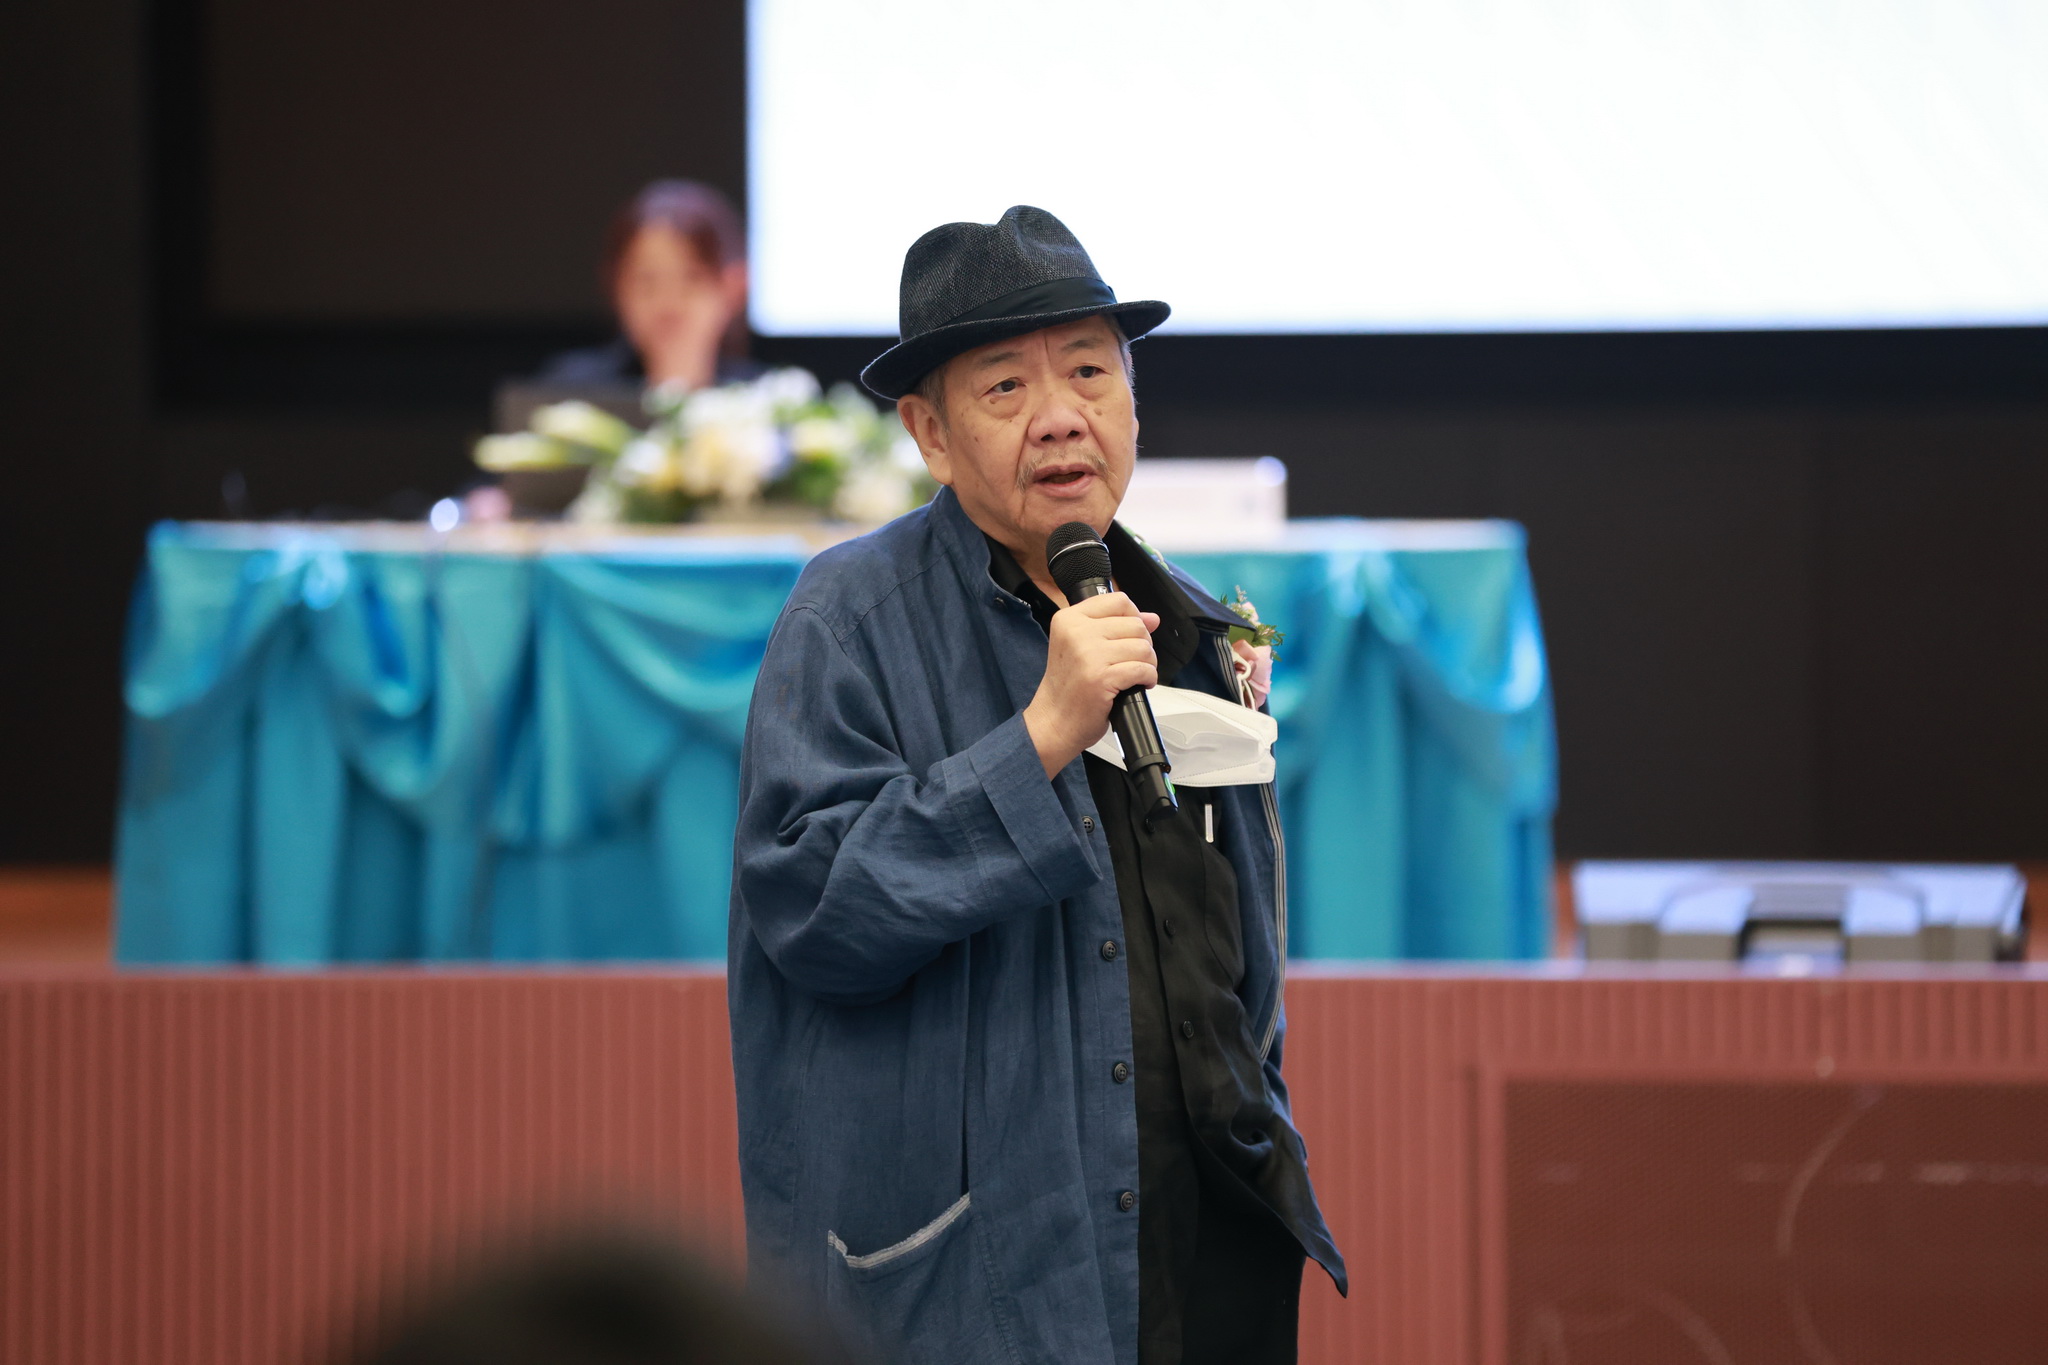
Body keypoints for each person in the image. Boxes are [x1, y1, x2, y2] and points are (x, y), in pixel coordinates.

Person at [728, 206, 1345, 1365]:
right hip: (985, 1280)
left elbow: (1230, 953)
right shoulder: (847, 620)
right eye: (1005, 387)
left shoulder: (1187, 625)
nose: (1060, 415)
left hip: (1209, 1241)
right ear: (929, 433)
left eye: (1089, 373)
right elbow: (813, 914)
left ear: (1131, 404)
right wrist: (1039, 737)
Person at [534, 179, 760, 393]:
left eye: (692, 278)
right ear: (616, 287)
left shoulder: (766, 398)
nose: (668, 301)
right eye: (646, 280)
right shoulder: (569, 395)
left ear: (735, 286)